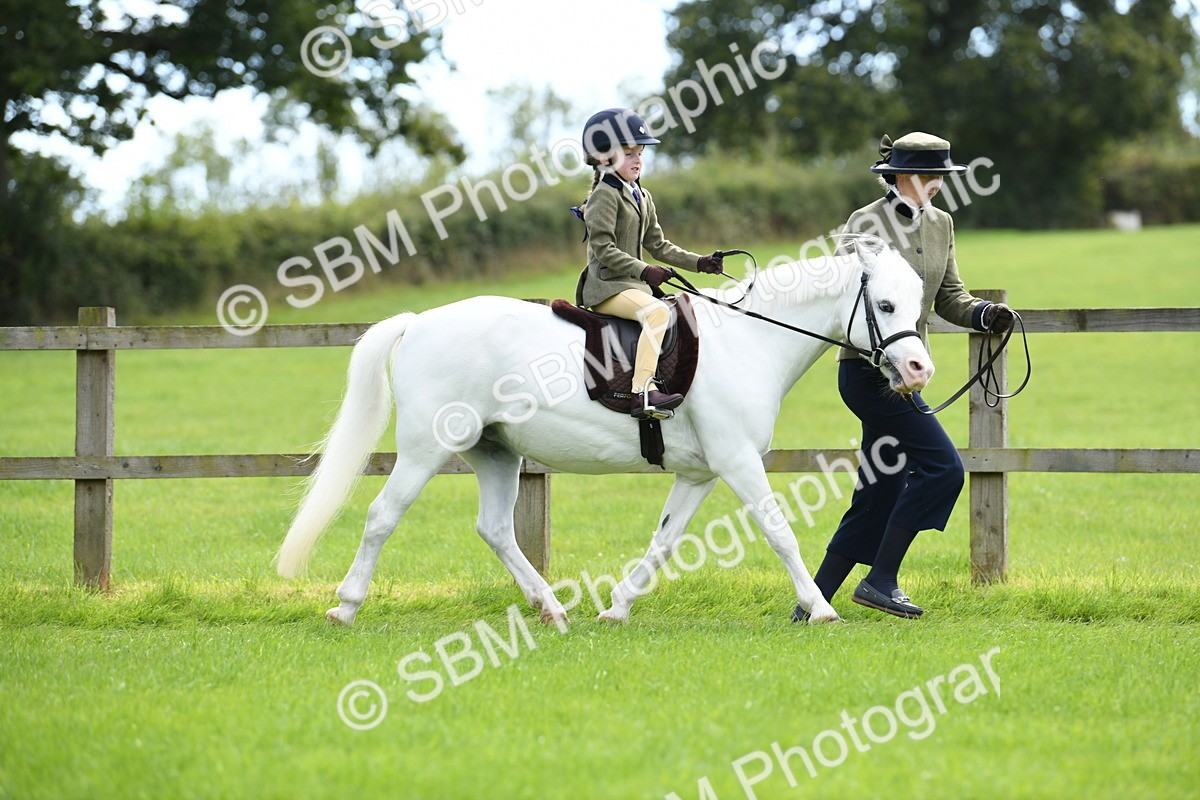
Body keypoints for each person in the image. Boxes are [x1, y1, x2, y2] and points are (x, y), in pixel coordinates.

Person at [800, 132, 1016, 620]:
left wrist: (985, 314)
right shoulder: (866, 223)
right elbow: (844, 303)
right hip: (868, 377)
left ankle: (811, 603)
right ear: (900, 176)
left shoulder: (942, 224)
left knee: (881, 489)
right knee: (944, 469)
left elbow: (950, 297)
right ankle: (881, 580)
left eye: (942, 176)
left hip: (906, 378)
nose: (938, 185)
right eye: (930, 176)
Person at [574, 108, 725, 419]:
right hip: (606, 288)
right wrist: (645, 271)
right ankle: (641, 393)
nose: (637, 160)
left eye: (640, 153)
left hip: (632, 285)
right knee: (657, 312)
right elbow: (603, 249)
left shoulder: (642, 195)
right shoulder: (604, 196)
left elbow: (658, 245)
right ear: (604, 158)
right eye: (628, 153)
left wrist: (700, 262)